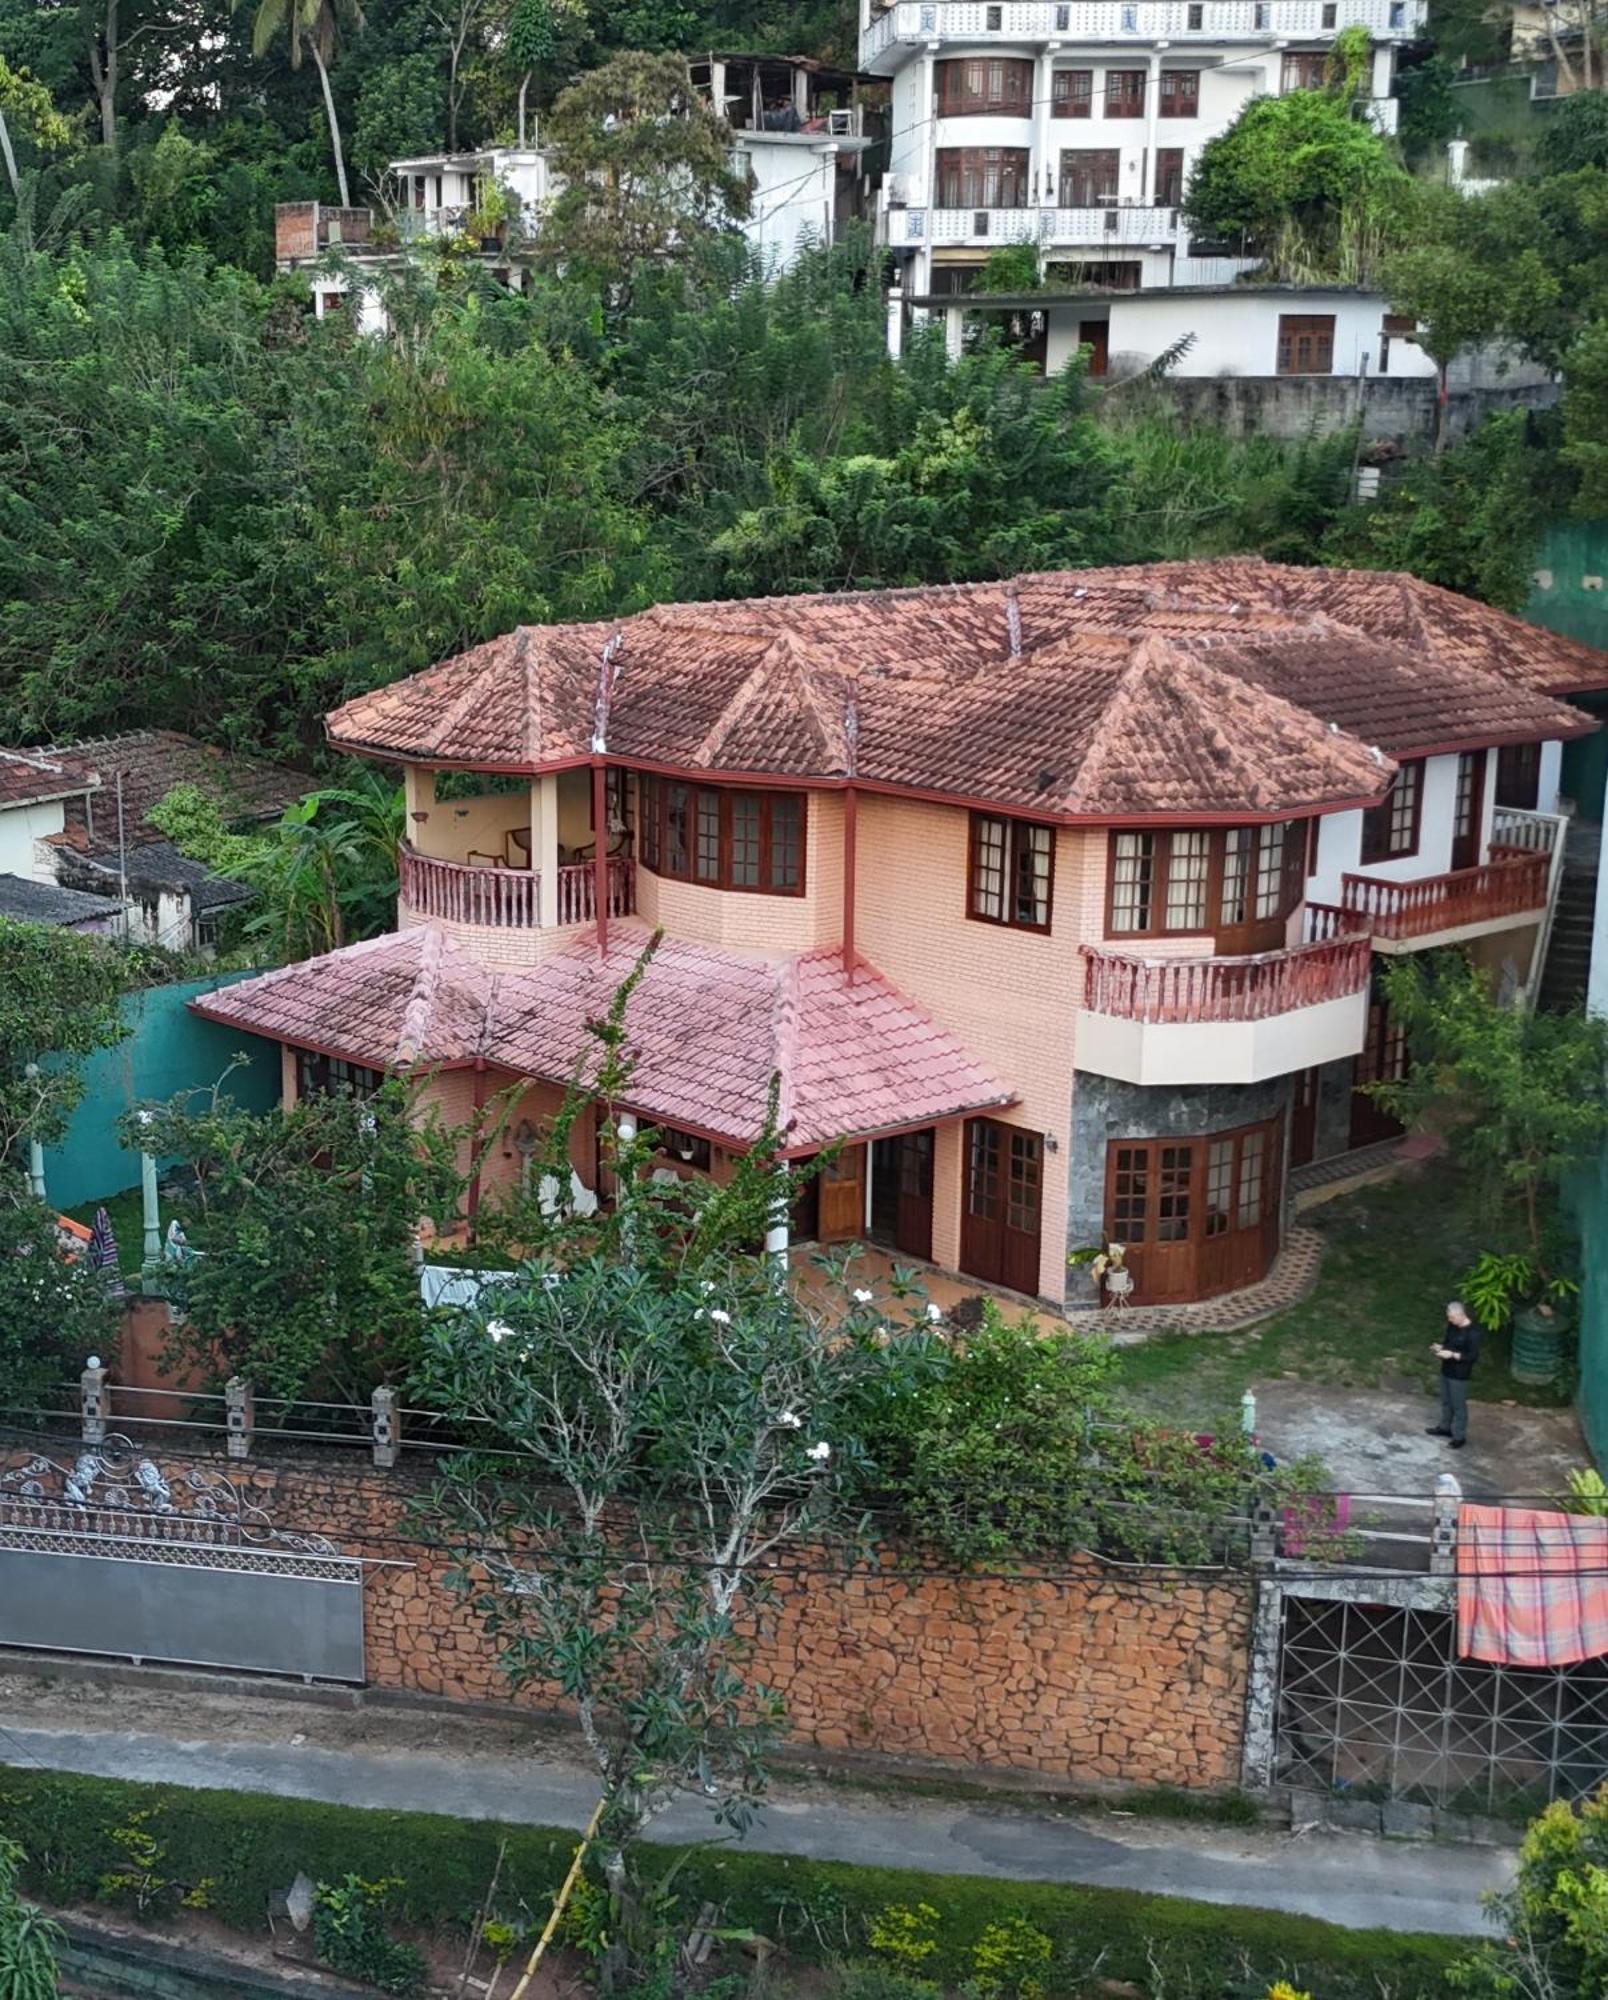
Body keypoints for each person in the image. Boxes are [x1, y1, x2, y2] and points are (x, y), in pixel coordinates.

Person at [1426, 1301, 1480, 1449]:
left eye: (1452, 1317)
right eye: (1449, 1317)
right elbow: (1449, 1344)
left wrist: (1452, 1355)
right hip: (1447, 1369)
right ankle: (1445, 1427)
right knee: (1446, 1401)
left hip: (1459, 1374)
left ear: (1461, 1315)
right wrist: (1441, 1348)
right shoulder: (1453, 1327)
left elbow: (1472, 1356)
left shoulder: (1472, 1333)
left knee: (1458, 1405)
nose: (1450, 1320)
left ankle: (1459, 1436)